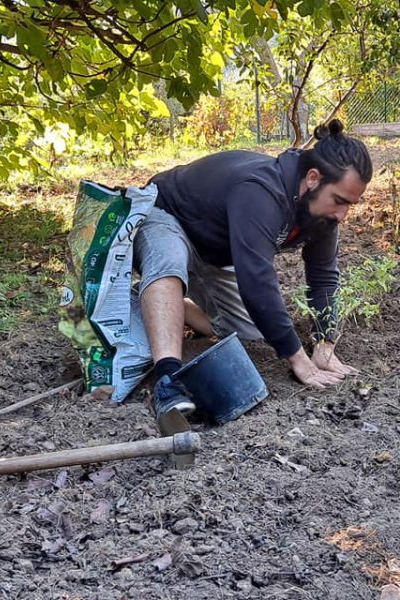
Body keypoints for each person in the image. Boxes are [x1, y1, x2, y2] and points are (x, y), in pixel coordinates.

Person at [133, 119, 373, 435]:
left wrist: (324, 342)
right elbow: (256, 281)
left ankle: (167, 302)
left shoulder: (323, 215)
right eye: (339, 200)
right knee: (169, 261)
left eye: (350, 205)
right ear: (313, 179)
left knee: (247, 334)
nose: (342, 215)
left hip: (216, 250)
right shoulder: (262, 191)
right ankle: (168, 379)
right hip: (166, 214)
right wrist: (298, 360)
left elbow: (324, 276)